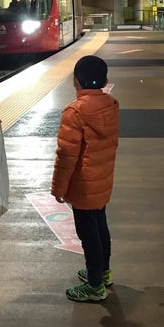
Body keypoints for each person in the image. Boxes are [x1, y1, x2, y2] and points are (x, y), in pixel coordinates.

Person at [50, 55, 119, 302]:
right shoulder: (110, 105)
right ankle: (103, 272)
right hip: (102, 181)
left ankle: (94, 286)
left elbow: (66, 156)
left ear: (75, 82)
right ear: (105, 81)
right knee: (100, 227)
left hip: (83, 187)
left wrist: (58, 188)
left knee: (89, 236)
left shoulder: (75, 112)